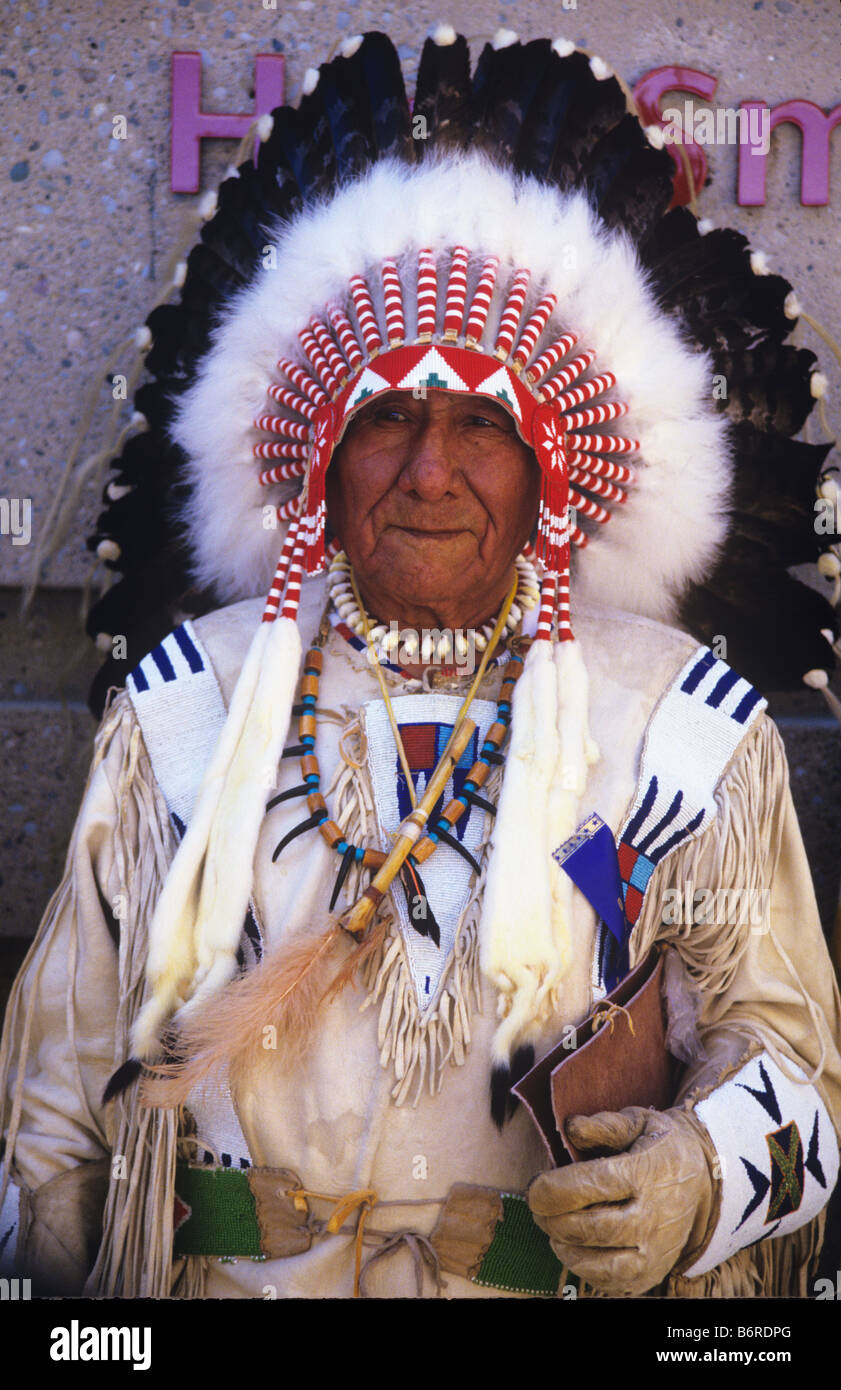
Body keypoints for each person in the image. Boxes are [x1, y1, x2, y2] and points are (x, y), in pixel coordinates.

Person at [1, 27, 840, 1301]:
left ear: (550, 475)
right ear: (323, 465)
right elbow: (55, 1108)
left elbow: (793, 1056)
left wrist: (693, 1176)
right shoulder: (189, 712)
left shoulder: (675, 728)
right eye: (386, 416)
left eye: (482, 426)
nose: (431, 470)